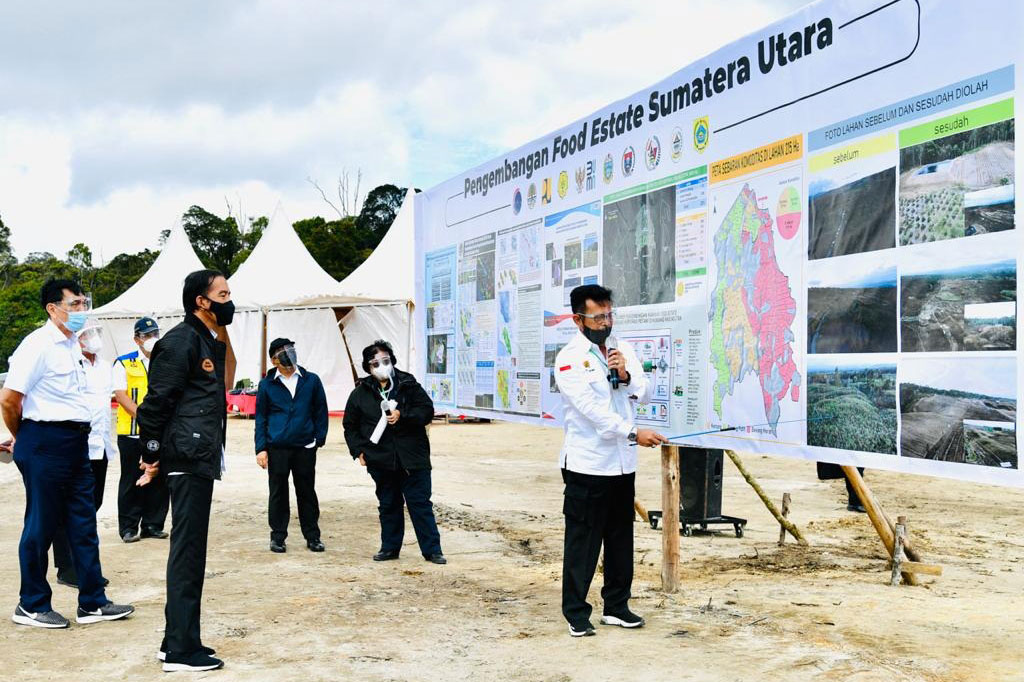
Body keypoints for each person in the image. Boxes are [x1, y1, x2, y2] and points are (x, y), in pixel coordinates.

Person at [0, 278, 134, 628]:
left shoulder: (74, 345)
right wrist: (25, 437)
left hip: (77, 443)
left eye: (83, 303)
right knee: (41, 525)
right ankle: (31, 603)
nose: (81, 311)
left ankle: (92, 601)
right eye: (74, 304)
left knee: (83, 523)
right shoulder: (37, 346)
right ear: (52, 308)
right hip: (44, 441)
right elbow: (9, 400)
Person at [554, 284, 668, 637]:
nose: (605, 321)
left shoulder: (622, 348)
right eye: (598, 316)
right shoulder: (569, 358)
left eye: (609, 314)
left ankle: (617, 606)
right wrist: (634, 433)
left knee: (620, 537)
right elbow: (591, 412)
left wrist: (626, 375)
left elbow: (644, 389)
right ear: (578, 319)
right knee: (583, 540)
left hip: (622, 463)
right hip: (588, 464)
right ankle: (576, 611)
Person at [136, 269, 232, 672]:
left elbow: (225, 379)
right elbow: (155, 404)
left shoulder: (205, 338)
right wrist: (152, 454)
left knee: (192, 550)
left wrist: (222, 332)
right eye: (223, 294)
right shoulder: (180, 341)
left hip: (199, 454)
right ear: (201, 301)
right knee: (188, 552)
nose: (231, 300)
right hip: (186, 456)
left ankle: (174, 640)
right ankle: (180, 650)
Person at [343, 340, 444, 564]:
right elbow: (350, 426)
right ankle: (390, 548)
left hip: (413, 458)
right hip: (381, 460)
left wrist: (402, 415)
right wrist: (358, 451)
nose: (382, 366)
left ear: (393, 360)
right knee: (389, 505)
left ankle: (432, 550)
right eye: (375, 362)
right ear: (368, 367)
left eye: (385, 360)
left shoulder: (408, 384)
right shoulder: (360, 393)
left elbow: (426, 411)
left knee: (420, 504)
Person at [51, 323, 115, 588]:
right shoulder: (69, 363)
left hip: (100, 444)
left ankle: (84, 563)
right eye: (88, 334)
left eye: (97, 334)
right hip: (76, 444)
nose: (94, 339)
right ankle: (67, 566)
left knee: (92, 505)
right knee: (69, 508)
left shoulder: (104, 365)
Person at [254, 337, 329, 553]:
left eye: (290, 349)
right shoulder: (267, 384)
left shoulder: (311, 380)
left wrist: (318, 439)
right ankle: (278, 536)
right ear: (273, 360)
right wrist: (261, 448)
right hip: (277, 447)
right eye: (282, 351)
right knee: (278, 492)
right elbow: (261, 418)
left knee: (306, 491)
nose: (289, 353)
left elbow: (320, 411)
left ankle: (313, 536)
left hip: (305, 446)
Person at [113, 317, 169, 543]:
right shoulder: (124, 363)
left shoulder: (166, 361)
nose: (151, 339)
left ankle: (153, 524)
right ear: (137, 339)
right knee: (131, 477)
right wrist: (145, 417)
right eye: (146, 335)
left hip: (161, 431)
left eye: (155, 334)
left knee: (159, 477)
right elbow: (121, 395)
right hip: (132, 431)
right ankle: (128, 526)